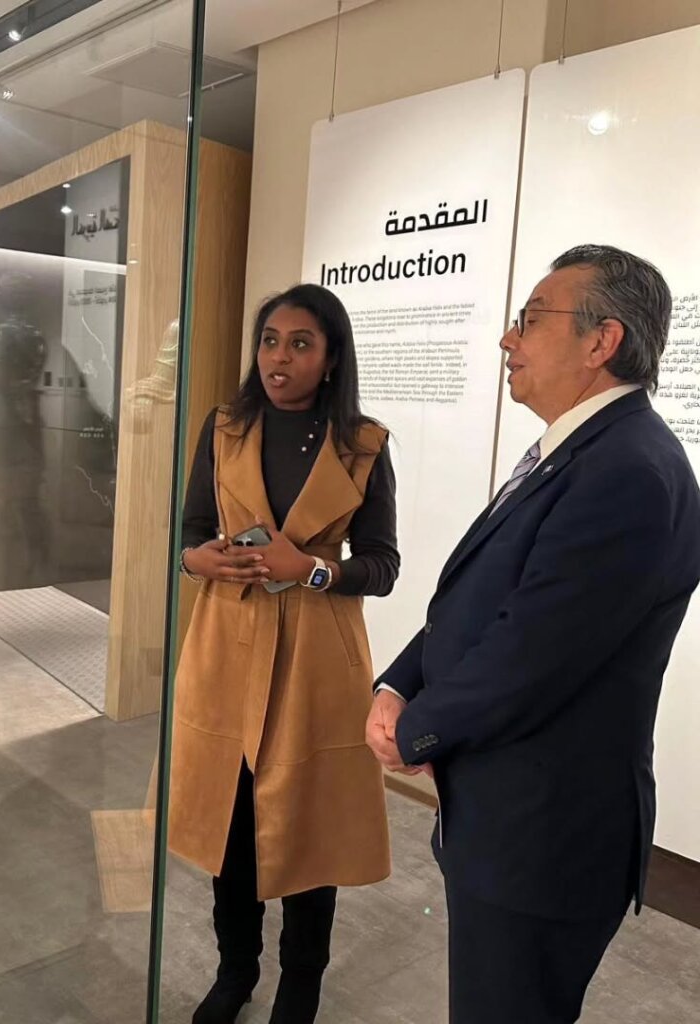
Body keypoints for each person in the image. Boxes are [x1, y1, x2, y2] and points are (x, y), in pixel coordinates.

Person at [367, 244, 700, 1023]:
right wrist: (399, 683)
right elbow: (481, 601)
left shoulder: (628, 471)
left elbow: (533, 653)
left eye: (531, 319)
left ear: (601, 341)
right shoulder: (581, 451)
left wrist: (415, 730)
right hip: (510, 823)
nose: (508, 339)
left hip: (545, 842)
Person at [168, 283, 400, 1024]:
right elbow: (191, 531)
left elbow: (383, 566)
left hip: (316, 660)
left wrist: (314, 570)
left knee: (310, 834)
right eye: (270, 340)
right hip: (227, 648)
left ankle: (300, 990)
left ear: (331, 359)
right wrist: (199, 561)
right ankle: (235, 972)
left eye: (301, 344)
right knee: (230, 827)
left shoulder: (364, 445)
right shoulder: (226, 429)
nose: (280, 357)